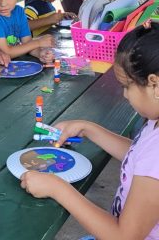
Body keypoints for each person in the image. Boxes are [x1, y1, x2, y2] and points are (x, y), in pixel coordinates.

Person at [20, 22, 159, 240]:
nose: (125, 95)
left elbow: (125, 236)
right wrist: (89, 128)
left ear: (155, 84)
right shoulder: (155, 121)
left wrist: (58, 188)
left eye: (126, 86)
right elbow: (139, 156)